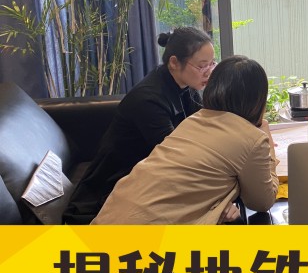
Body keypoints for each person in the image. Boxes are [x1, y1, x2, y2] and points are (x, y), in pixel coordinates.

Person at [91, 56, 279, 224]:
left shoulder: (193, 120)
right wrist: (265, 134)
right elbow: (263, 201)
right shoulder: (251, 138)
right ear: (257, 99)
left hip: (105, 221)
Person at [63, 27, 215, 224]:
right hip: (116, 185)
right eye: (202, 66)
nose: (208, 72)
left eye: (212, 63)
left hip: (150, 173)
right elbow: (174, 157)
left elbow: (203, 131)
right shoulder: (148, 100)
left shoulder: (186, 86)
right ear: (174, 63)